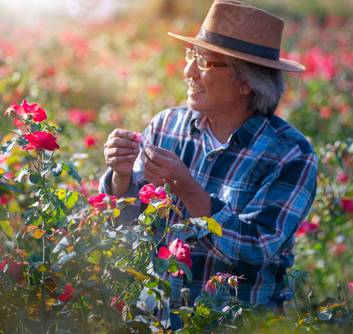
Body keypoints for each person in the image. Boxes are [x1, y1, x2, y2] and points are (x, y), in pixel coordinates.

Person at [99, 0, 318, 329]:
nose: (188, 71)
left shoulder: (290, 155)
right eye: (190, 56)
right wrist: (121, 174)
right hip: (157, 321)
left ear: (246, 82)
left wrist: (186, 188)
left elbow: (254, 251)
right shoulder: (166, 126)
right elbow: (127, 221)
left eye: (203, 61)